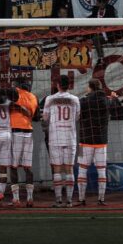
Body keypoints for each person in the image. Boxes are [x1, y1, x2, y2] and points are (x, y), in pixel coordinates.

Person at [76, 78, 119, 205]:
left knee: (82, 170)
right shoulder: (106, 100)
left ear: (90, 88)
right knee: (101, 170)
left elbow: (77, 115)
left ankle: (81, 199)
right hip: (101, 141)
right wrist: (114, 98)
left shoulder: (83, 101)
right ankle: (101, 199)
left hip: (85, 140)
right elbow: (117, 109)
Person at [43, 75, 80, 208]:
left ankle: (58, 200)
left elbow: (45, 118)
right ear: (69, 85)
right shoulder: (75, 99)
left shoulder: (50, 99)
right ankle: (69, 200)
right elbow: (77, 117)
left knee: (57, 169)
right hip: (70, 136)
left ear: (58, 85)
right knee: (69, 169)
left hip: (55, 137)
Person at [9, 79, 38, 207]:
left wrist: (20, 107)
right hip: (29, 133)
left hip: (17, 132)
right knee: (27, 167)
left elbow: (10, 105)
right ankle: (30, 198)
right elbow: (36, 116)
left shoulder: (17, 92)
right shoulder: (33, 97)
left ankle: (16, 199)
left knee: (13, 166)